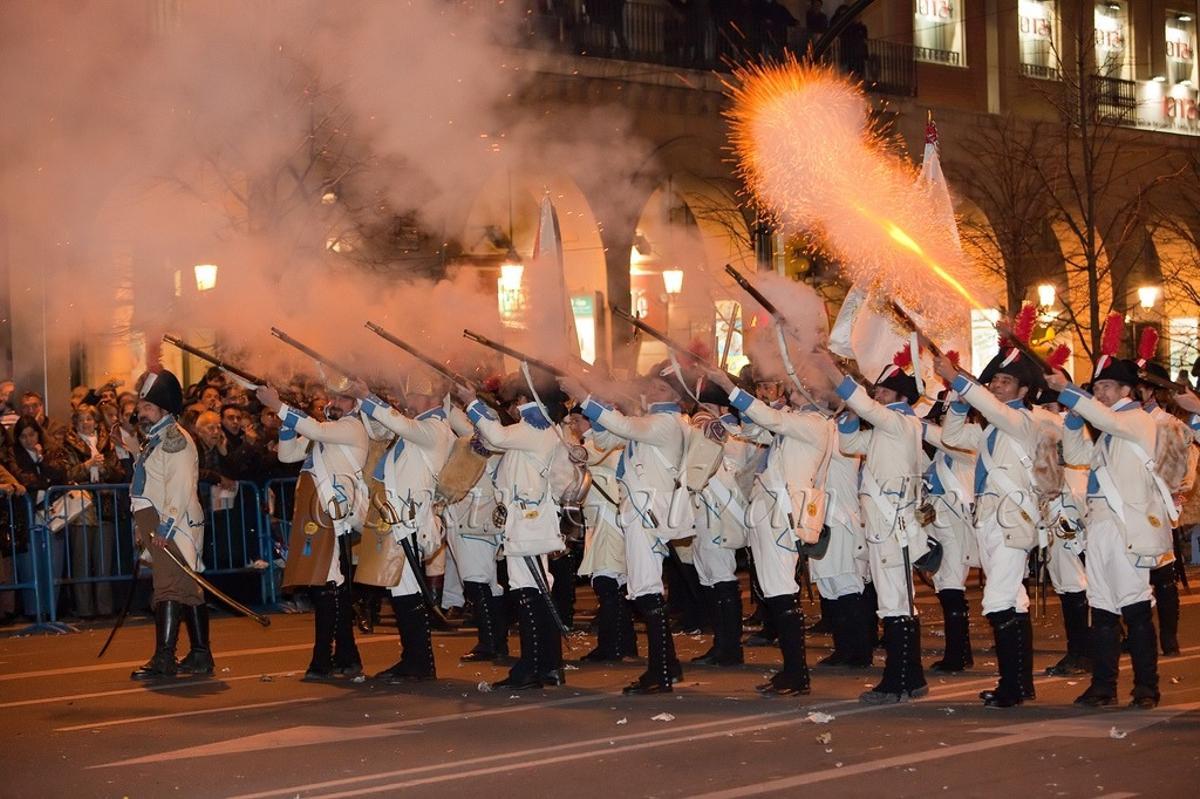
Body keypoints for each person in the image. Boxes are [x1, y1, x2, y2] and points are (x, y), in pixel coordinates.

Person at [1048, 317, 1182, 709]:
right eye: (1097, 387)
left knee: (1136, 609)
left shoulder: (1135, 420)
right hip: (1102, 526)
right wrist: (1074, 420)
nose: (1100, 392)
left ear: (1127, 390)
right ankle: (1103, 685)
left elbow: (1106, 418)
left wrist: (1072, 394)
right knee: (1103, 609)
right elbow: (1078, 458)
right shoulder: (1110, 427)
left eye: (1106, 386)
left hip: (1128, 528)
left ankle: (1146, 688)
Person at [812, 348, 931, 704]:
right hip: (885, 524)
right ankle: (912, 677)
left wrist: (830, 370)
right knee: (897, 600)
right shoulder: (890, 427)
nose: (877, 393)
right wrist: (847, 412)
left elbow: (862, 406)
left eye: (884, 391)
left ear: (900, 397)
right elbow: (850, 443)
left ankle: (898, 681)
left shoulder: (896, 422)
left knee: (895, 602)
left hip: (890, 525)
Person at [565, 371, 691, 695]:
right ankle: (668, 666)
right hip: (639, 510)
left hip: (646, 512)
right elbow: (609, 438)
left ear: (677, 396)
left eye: (661, 387)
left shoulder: (665, 422)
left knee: (646, 589)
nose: (651, 389)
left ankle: (660, 672)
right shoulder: (650, 420)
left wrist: (583, 395)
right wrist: (607, 406)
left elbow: (624, 429)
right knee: (643, 587)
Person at [933, 343, 1045, 707]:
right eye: (994, 379)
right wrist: (959, 399)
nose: (997, 385)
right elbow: (952, 437)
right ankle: (1021, 684)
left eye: (1006, 380)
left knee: (998, 600)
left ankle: (1011, 687)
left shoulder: (1023, 420)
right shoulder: (991, 428)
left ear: (1023, 391)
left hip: (1011, 522)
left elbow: (996, 413)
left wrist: (960, 381)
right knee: (1013, 599)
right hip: (992, 521)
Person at [707, 368, 825, 695]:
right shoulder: (794, 421)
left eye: (799, 390)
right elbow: (757, 430)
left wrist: (729, 389)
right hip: (769, 513)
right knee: (775, 592)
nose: (791, 394)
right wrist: (747, 412)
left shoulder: (814, 423)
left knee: (781, 592)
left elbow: (771, 422)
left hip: (782, 514)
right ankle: (792, 672)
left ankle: (797, 674)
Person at [454, 375, 569, 690]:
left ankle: (531, 668)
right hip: (528, 521)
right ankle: (548, 665)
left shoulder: (535, 428)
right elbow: (496, 440)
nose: (514, 408)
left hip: (528, 522)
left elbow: (498, 436)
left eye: (517, 401)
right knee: (537, 591)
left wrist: (471, 403)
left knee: (528, 592)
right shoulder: (538, 430)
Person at [258, 381, 368, 681]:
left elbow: (317, 431)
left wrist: (279, 406)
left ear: (355, 405)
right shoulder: (325, 431)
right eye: (332, 397)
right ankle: (346, 656)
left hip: (333, 512)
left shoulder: (351, 428)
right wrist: (285, 419)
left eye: (343, 399)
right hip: (318, 511)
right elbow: (287, 454)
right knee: (331, 586)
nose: (334, 402)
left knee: (327, 585)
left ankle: (323, 659)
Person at [353, 375, 454, 683]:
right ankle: (415, 659)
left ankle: (419, 661)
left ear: (430, 397)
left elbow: (399, 424)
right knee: (401, 590)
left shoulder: (434, 428)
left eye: (414, 393)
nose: (409, 398)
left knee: (407, 591)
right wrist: (363, 400)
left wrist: (369, 395)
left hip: (410, 516)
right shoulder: (421, 426)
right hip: (400, 514)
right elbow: (381, 427)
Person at [128, 369, 213, 680]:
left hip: (170, 520)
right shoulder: (158, 438)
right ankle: (201, 655)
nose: (141, 412)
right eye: (141, 407)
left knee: (167, 586)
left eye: (147, 407)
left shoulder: (174, 439)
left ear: (164, 409)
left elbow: (179, 486)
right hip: (161, 517)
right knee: (188, 588)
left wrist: (165, 527)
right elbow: (150, 475)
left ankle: (164, 658)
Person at [570, 409, 639, 662]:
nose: (572, 425)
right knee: (614, 583)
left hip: (608, 517)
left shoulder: (599, 442)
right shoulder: (601, 441)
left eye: (577, 420)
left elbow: (587, 456)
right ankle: (624, 644)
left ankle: (612, 645)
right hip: (603, 518)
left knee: (606, 582)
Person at [919, 390, 977, 673]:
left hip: (957, 527)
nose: (942, 422)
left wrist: (916, 425)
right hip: (938, 526)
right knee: (945, 588)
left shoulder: (968, 445)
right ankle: (961, 652)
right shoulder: (939, 455)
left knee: (952, 588)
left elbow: (942, 439)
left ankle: (957, 655)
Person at [60, 403, 126, 618]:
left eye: (89, 419)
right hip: (82, 507)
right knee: (82, 561)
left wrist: (104, 466)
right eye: (81, 419)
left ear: (96, 421)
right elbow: (67, 473)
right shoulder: (69, 444)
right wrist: (87, 466)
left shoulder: (108, 442)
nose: (85, 423)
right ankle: (84, 608)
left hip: (104, 505)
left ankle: (105, 607)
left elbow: (119, 472)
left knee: (104, 560)